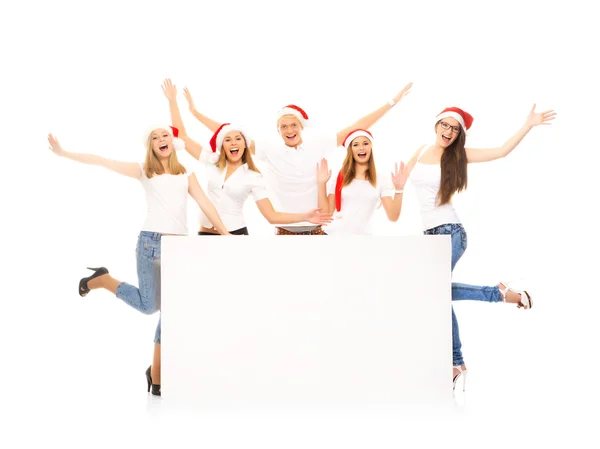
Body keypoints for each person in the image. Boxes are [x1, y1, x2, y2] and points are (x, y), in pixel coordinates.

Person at [47, 127, 230, 396]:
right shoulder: (145, 170)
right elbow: (102, 161)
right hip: (149, 244)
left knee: (172, 312)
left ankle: (157, 375)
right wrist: (65, 153)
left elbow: (204, 203)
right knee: (149, 307)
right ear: (151, 146)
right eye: (154, 138)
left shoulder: (185, 173)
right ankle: (104, 280)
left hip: (179, 249)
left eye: (164, 136)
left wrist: (226, 233)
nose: (160, 140)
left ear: (172, 141)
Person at [402, 104, 556, 391]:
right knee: (436, 293)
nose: (448, 132)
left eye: (454, 128)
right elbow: (397, 181)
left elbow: (500, 151)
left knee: (435, 293)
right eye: (445, 125)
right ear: (436, 126)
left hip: (450, 231)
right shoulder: (421, 150)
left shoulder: (457, 155)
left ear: (459, 134)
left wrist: (527, 125)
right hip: (428, 235)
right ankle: (498, 295)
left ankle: (456, 362)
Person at [182, 82, 412, 235]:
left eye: (293, 125)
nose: (289, 129)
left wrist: (391, 103)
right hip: (284, 230)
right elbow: (230, 134)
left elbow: (356, 127)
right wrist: (195, 114)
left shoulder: (318, 144)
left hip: (318, 230)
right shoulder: (268, 150)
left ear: (301, 127)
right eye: (283, 126)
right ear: (279, 130)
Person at [161, 79, 333, 234]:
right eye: (228, 139)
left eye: (238, 139)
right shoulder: (212, 161)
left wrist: (304, 216)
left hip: (235, 234)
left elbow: (272, 216)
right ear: (222, 145)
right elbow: (181, 137)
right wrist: (173, 102)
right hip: (205, 233)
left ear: (245, 144)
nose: (233, 143)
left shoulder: (253, 176)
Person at [316, 129, 407, 234]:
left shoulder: (381, 179)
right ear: (351, 150)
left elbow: (393, 216)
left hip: (364, 239)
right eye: (356, 145)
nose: (361, 148)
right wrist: (321, 184)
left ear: (370, 147)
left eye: (365, 143)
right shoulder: (340, 177)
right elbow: (326, 214)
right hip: (336, 236)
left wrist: (399, 189)